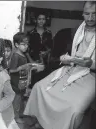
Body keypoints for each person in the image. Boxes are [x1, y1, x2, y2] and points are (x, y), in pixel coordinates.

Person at [23, 1, 95, 129]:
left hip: (91, 74)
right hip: (69, 69)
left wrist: (91, 64)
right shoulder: (76, 32)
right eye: (87, 14)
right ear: (82, 14)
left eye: (94, 14)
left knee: (75, 109)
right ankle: (39, 122)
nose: (90, 18)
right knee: (38, 88)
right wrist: (65, 59)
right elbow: (61, 55)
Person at [27, 12, 53, 85]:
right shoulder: (31, 33)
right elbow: (26, 49)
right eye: (39, 19)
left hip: (45, 61)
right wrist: (30, 60)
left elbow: (51, 47)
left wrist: (46, 52)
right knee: (32, 81)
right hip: (33, 60)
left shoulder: (48, 33)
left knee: (42, 81)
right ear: (36, 20)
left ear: (45, 20)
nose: (41, 21)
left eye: (43, 19)